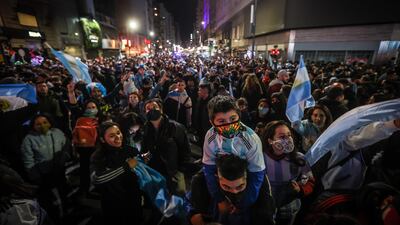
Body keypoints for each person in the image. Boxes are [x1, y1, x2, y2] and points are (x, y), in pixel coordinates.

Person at [202, 95, 266, 211]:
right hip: (221, 183)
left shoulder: (251, 140)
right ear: (212, 123)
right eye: (221, 121)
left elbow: (256, 175)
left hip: (245, 184)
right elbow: (208, 168)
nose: (229, 125)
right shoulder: (210, 137)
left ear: (239, 116)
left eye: (232, 119)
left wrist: (245, 204)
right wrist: (219, 199)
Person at [186, 154, 275, 225]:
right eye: (226, 187)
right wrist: (195, 217)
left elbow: (266, 217)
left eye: (240, 186)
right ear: (217, 178)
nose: (234, 191)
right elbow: (190, 208)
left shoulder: (260, 186)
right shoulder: (201, 182)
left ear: (247, 178)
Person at [261, 120, 315, 225]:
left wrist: (300, 189)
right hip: (265, 208)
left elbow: (309, 180)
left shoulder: (299, 158)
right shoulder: (261, 159)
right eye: (282, 137)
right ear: (270, 140)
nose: (288, 139)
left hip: (289, 209)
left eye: (289, 135)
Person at [90, 122, 143, 225]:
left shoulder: (130, 150)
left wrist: (148, 156)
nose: (118, 137)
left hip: (133, 201)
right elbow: (97, 178)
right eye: (111, 136)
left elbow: (140, 169)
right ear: (102, 139)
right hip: (113, 204)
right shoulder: (98, 157)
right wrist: (126, 166)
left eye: (118, 133)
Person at [20, 114, 70, 221]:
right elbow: (28, 160)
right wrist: (35, 176)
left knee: (63, 193)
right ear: (33, 126)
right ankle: (54, 217)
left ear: (50, 122)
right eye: (38, 124)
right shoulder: (29, 139)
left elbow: (66, 145)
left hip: (59, 171)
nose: (42, 125)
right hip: (44, 175)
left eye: (45, 122)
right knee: (48, 200)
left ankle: (65, 212)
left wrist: (65, 157)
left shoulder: (57, 133)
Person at [142, 98, 192, 196]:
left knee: (178, 197)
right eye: (148, 108)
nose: (151, 110)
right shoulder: (145, 129)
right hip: (156, 172)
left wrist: (180, 171)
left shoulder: (176, 127)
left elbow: (185, 150)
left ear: (161, 110)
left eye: (155, 107)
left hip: (174, 172)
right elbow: (145, 149)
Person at [193, 81, 212, 147]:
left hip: (206, 130)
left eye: (200, 90)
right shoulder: (199, 100)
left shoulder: (211, 103)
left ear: (205, 91)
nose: (198, 92)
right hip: (200, 128)